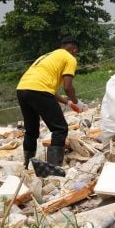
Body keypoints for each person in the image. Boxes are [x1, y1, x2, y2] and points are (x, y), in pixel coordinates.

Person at [17, 37, 82, 171]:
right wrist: (77, 102)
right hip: (39, 90)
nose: (75, 54)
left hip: (22, 89)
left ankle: (27, 164)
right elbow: (68, 87)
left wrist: (69, 103)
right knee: (60, 128)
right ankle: (54, 168)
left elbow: (48, 91)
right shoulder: (70, 58)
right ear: (74, 49)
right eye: (76, 52)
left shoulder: (47, 56)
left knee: (31, 130)